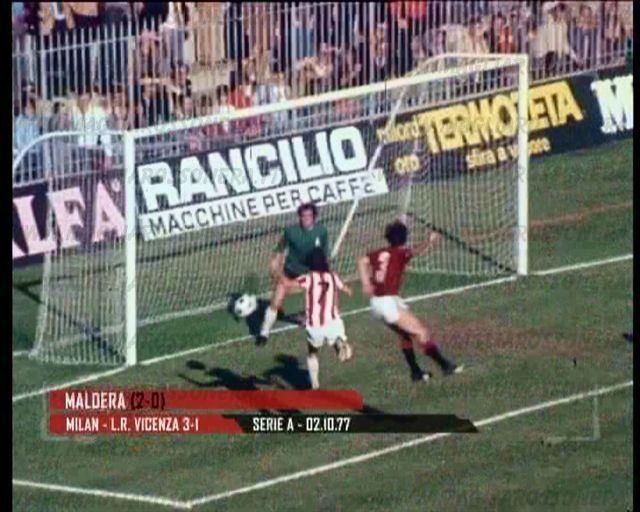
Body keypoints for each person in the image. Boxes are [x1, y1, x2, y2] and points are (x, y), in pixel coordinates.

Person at [357, 219, 463, 382]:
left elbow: (361, 261)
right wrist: (430, 241)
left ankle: (416, 373)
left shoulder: (380, 252)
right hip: (388, 302)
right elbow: (416, 252)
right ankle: (445, 366)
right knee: (421, 332)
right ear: (404, 237)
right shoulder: (400, 253)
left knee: (405, 335)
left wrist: (365, 283)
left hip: (376, 303)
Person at [258, 202, 329, 345]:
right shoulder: (291, 232)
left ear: (314, 217)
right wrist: (275, 265)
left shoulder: (321, 231)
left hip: (309, 273)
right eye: (303, 216)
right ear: (299, 217)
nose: (306, 219)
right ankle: (264, 333)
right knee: (276, 301)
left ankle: (311, 320)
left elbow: (324, 254)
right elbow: (279, 250)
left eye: (309, 216)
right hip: (290, 271)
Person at [284, 248, 353, 389]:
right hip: (333, 322)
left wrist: (282, 274)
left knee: (312, 352)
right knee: (335, 336)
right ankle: (339, 343)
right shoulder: (333, 277)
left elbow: (289, 286)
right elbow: (348, 290)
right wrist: (345, 289)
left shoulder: (308, 278)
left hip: (315, 326)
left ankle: (314, 382)